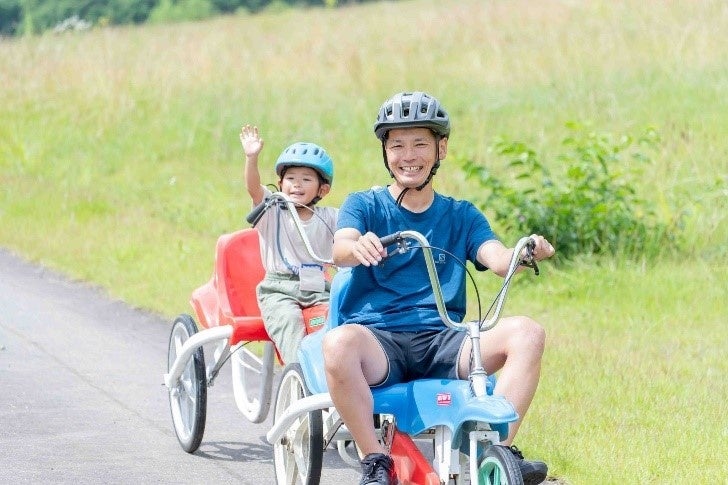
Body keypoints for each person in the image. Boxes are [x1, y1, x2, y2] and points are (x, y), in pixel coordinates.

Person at [322, 92, 554, 485]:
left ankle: (496, 452)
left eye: (419, 144)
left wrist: (524, 251)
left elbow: (495, 257)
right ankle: (376, 460)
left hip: (446, 339)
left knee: (528, 333)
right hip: (381, 340)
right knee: (337, 344)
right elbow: (341, 246)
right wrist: (355, 246)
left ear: (440, 148)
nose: (408, 155)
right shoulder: (365, 205)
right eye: (397, 145)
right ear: (385, 151)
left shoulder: (460, 214)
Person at [240, 124, 338, 364]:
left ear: (322, 189)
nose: (297, 184)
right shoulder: (272, 211)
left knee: (339, 321)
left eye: (306, 179)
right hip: (279, 289)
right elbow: (254, 189)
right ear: (280, 183)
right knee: (289, 323)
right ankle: (298, 376)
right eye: (291, 179)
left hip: (318, 287)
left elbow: (354, 229)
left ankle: (333, 375)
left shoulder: (330, 217)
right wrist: (251, 158)